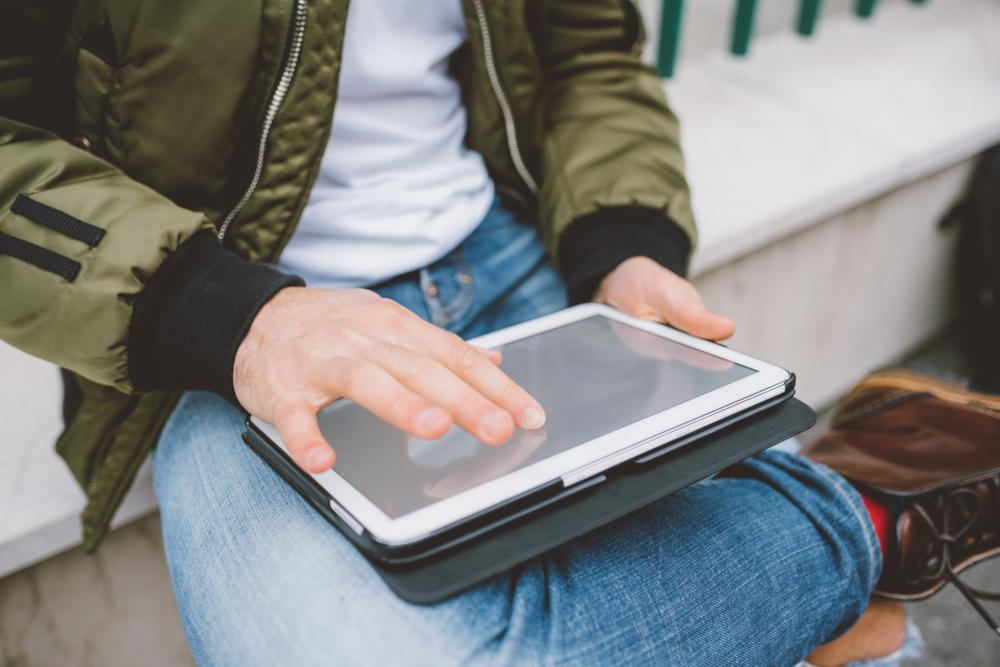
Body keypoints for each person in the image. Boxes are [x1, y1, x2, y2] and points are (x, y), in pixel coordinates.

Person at [1, 2, 997, 664]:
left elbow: (588, 53)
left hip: (503, 256)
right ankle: (866, 518)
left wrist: (621, 236)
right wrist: (229, 316)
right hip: (227, 322)